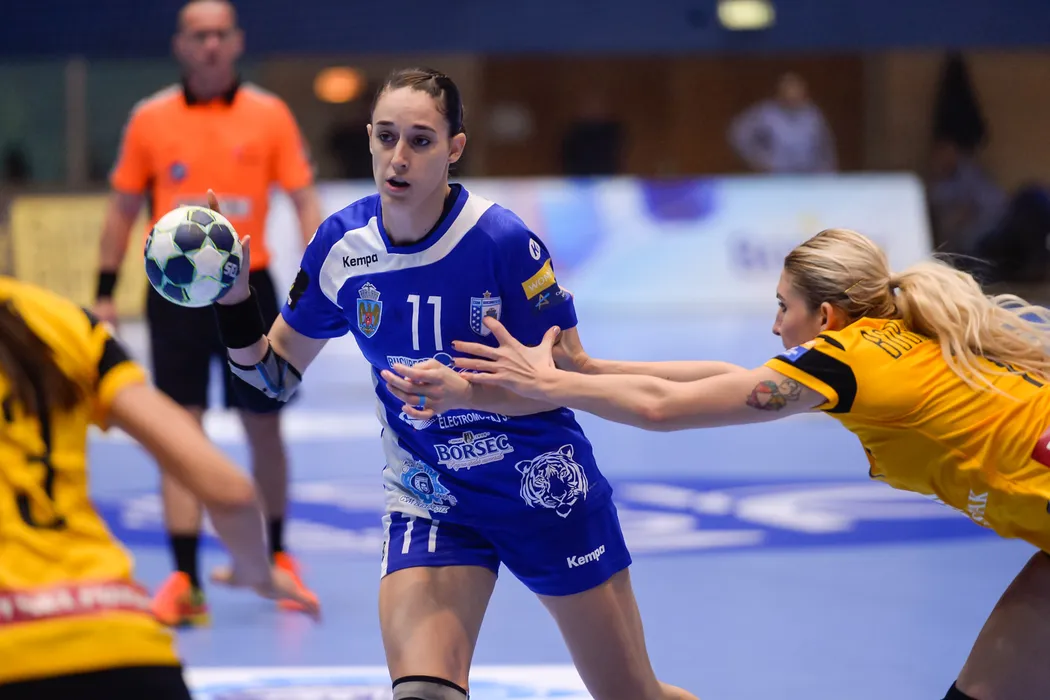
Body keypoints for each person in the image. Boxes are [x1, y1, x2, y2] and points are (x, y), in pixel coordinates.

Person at [208, 67, 697, 700]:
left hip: (539, 487)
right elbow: (269, 381)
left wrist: (469, 393)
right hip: (431, 495)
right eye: (386, 137)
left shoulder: (503, 242)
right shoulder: (342, 246)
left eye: (420, 140)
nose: (398, 158)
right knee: (423, 694)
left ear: (454, 148)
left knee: (631, 694)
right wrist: (234, 302)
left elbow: (565, 381)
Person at [446, 226, 1050, 700]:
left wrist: (546, 385)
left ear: (826, 318)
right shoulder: (893, 347)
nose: (775, 324)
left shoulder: (848, 360)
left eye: (784, 306)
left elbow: (660, 409)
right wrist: (592, 370)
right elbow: (729, 379)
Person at [94, 0, 322, 626]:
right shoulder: (150, 119)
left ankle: (278, 556)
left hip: (251, 288)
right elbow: (121, 209)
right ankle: (184, 580)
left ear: (237, 41)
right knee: (179, 431)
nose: (211, 44)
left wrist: (316, 279)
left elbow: (304, 200)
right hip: (175, 299)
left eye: (221, 33)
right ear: (181, 45)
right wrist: (105, 290)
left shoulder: (270, 115)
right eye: (200, 35)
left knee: (264, 427)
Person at [0, 275, 318, 699]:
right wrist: (258, 573)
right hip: (120, 640)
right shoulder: (61, 321)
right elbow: (230, 491)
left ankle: (188, 580)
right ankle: (193, 578)